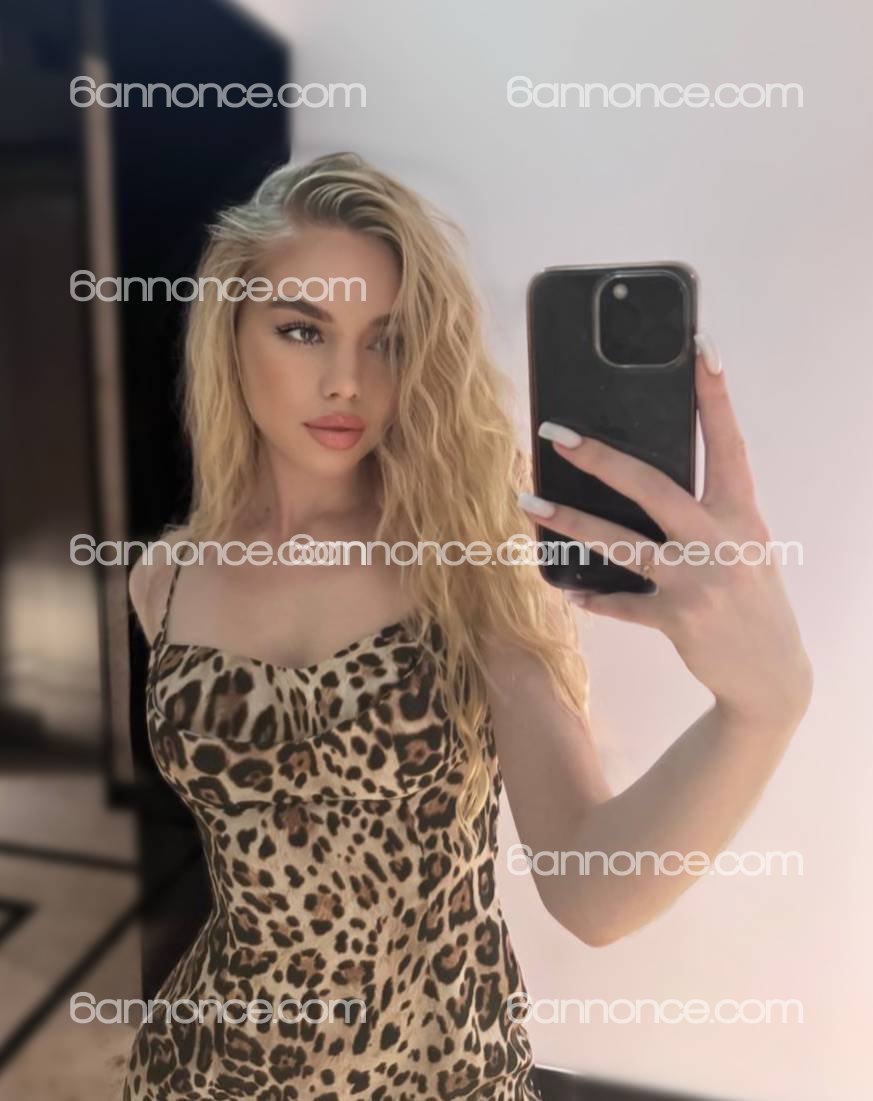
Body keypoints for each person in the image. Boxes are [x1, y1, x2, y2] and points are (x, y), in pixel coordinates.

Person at [124, 151, 812, 1101]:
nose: (345, 380)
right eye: (302, 330)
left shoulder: (467, 566)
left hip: (436, 1072)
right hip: (206, 1069)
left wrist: (762, 709)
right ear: (230, 333)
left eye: (388, 340)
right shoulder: (162, 578)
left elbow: (591, 891)